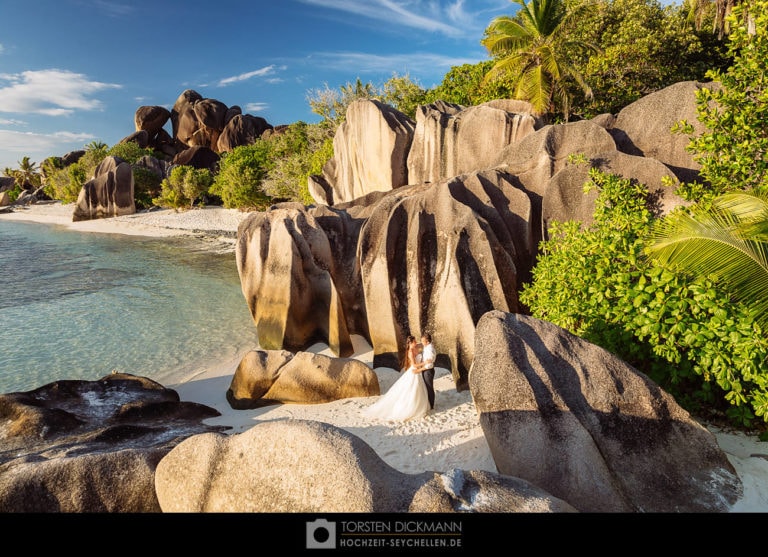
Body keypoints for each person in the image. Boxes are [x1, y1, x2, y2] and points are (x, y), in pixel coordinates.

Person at [363, 335, 430, 421]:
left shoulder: (415, 348)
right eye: (414, 342)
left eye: (415, 341)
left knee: (417, 390)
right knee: (411, 390)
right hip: (414, 371)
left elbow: (424, 344)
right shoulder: (410, 352)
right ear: (410, 343)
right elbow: (414, 365)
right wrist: (425, 363)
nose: (416, 343)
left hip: (417, 371)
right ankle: (410, 408)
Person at [413, 332, 436, 410]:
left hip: (428, 371)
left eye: (423, 341)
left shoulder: (430, 350)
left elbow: (429, 365)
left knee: (429, 388)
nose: (421, 342)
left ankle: (431, 406)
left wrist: (419, 370)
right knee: (426, 387)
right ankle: (429, 403)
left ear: (428, 341)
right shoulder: (427, 346)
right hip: (426, 371)